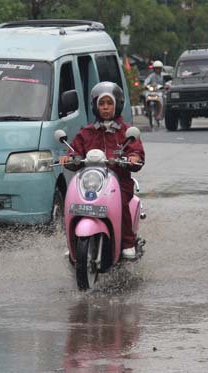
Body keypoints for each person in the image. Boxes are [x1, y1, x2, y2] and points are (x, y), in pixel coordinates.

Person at [59, 82, 145, 259]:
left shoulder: (126, 132)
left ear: (117, 105)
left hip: (119, 181)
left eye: (109, 103)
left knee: (121, 202)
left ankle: (128, 242)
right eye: (102, 103)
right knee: (72, 202)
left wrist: (133, 157)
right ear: (95, 106)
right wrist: (68, 158)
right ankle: (72, 242)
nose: (105, 107)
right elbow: (75, 151)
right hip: (91, 182)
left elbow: (136, 151)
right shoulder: (86, 132)